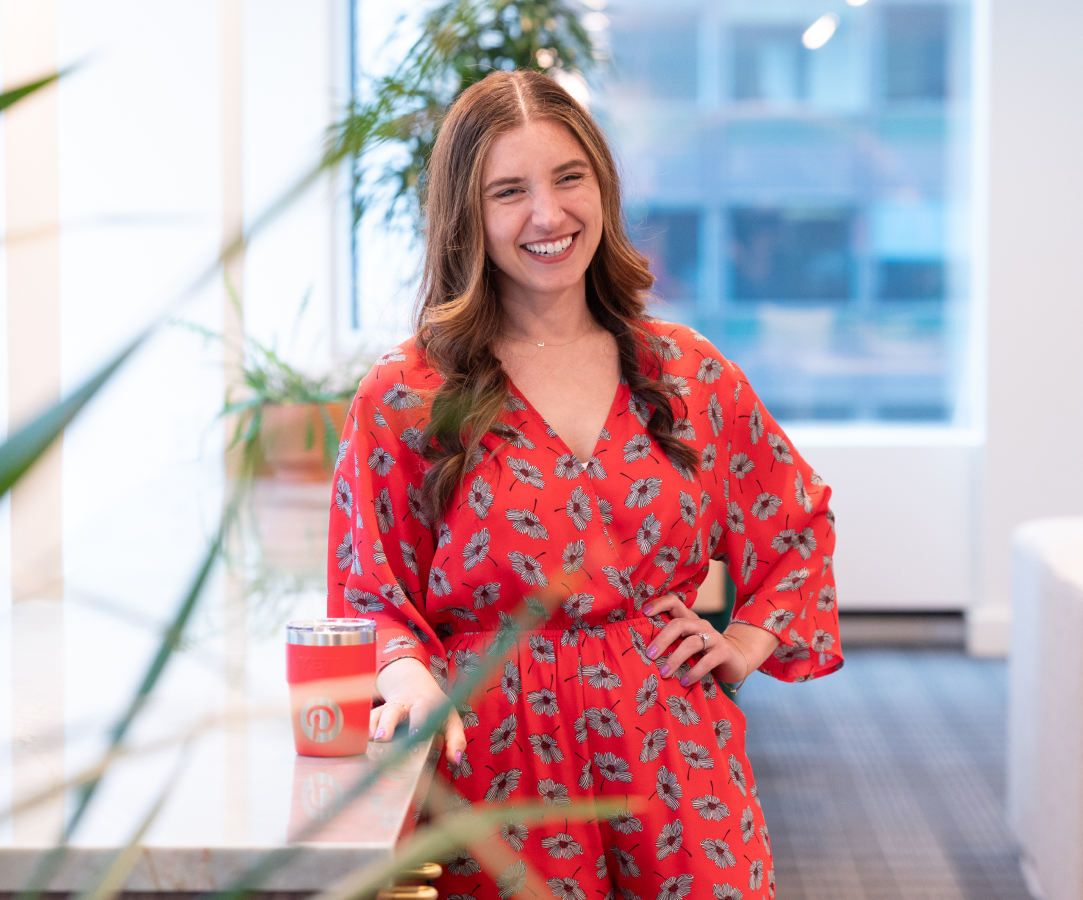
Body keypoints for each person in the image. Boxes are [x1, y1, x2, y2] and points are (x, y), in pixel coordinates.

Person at [327, 69, 841, 900]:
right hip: (497, 767)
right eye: (509, 191)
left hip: (675, 758)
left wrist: (743, 642)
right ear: (467, 216)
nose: (548, 214)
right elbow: (368, 588)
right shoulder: (407, 394)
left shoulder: (687, 370)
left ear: (601, 184)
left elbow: (797, 523)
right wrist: (407, 675)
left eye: (569, 177)